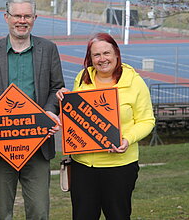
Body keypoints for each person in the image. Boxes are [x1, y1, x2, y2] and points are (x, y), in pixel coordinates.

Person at [0, 0, 65, 220]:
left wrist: (49, 112)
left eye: (27, 16)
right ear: (6, 17)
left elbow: (57, 88)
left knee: (39, 212)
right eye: (17, 16)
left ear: (35, 18)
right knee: (2, 214)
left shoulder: (49, 49)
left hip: (38, 146)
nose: (21, 21)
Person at [56, 33, 155, 220]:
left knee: (118, 216)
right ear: (90, 58)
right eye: (96, 55)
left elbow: (147, 121)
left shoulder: (135, 82)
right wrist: (64, 98)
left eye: (106, 53)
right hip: (83, 165)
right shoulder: (82, 78)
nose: (102, 59)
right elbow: (75, 116)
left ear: (116, 54)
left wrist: (127, 140)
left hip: (119, 166)